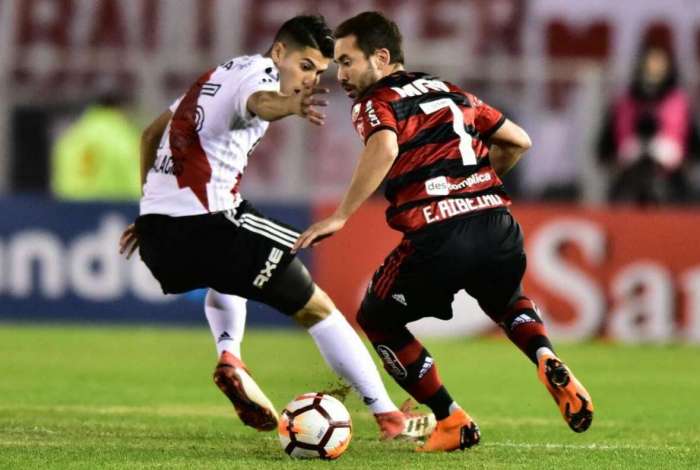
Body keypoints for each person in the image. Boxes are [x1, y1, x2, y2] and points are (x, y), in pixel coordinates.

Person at [118, 15, 430, 440]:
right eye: (305, 67)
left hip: (159, 236)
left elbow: (150, 134)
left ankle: (230, 356)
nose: (309, 81)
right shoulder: (259, 75)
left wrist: (148, 211)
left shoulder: (217, 74)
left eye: (319, 73)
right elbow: (262, 101)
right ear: (279, 52)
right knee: (319, 310)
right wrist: (289, 106)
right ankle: (389, 417)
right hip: (209, 224)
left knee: (228, 273)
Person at [294, 11, 594, 452]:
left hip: (438, 234)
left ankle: (451, 419)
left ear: (381, 57)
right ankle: (545, 356)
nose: (340, 74)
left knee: (377, 320)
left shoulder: (376, 101)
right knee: (506, 300)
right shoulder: (450, 90)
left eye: (347, 61)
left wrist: (340, 215)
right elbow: (518, 141)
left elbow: (385, 144)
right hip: (498, 225)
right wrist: (474, 184)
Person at [598, 41, 699, 204]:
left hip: (672, 182)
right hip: (629, 180)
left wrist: (674, 157)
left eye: (660, 63)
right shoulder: (625, 102)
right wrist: (626, 155)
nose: (655, 68)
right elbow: (604, 149)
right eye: (651, 62)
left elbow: (694, 148)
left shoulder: (680, 103)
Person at [52, 91, 141, 201]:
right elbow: (136, 180)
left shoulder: (71, 137)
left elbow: (59, 180)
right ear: (121, 108)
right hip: (113, 210)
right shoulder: (124, 137)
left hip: (70, 209)